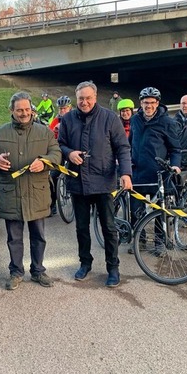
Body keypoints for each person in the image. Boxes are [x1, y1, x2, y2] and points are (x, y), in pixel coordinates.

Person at [0, 91, 61, 291]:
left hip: (37, 192)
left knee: (39, 236)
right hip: (11, 192)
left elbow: (57, 154)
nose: (24, 113)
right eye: (19, 110)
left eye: (26, 109)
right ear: (12, 111)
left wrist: (45, 162)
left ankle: (38, 270)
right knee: (14, 237)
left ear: (32, 109)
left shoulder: (44, 132)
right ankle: (16, 272)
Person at [58, 81, 132, 288]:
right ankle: (85, 263)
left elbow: (123, 148)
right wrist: (69, 153)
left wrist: (126, 173)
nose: (84, 102)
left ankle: (113, 267)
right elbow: (60, 144)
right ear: (76, 98)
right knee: (81, 228)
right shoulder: (68, 119)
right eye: (81, 98)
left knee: (108, 227)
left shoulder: (109, 118)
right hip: (78, 182)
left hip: (103, 182)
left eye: (88, 98)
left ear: (95, 97)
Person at [128, 87, 182, 254]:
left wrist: (175, 165)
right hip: (137, 172)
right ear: (140, 103)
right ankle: (140, 239)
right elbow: (130, 143)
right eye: (145, 103)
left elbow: (175, 149)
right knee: (136, 210)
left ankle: (159, 241)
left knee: (160, 211)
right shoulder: (135, 120)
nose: (148, 106)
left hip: (158, 174)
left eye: (152, 102)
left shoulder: (167, 122)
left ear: (157, 103)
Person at [48, 95, 73, 214]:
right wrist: (54, 131)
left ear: (70, 108)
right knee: (52, 177)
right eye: (60, 109)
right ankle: (52, 205)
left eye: (65, 108)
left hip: (73, 151)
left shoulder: (75, 119)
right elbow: (48, 137)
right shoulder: (55, 121)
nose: (62, 111)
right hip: (59, 152)